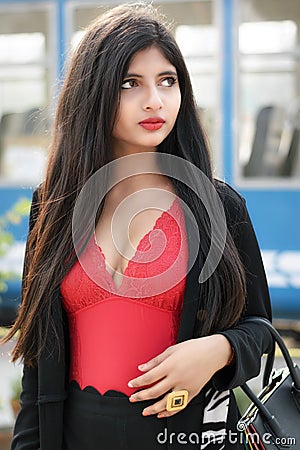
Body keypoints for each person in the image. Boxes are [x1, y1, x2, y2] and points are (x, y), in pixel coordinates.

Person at [1, 3, 272, 449]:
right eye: (131, 83)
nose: (155, 100)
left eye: (168, 81)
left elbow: (260, 330)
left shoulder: (218, 207)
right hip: (72, 435)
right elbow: (38, 365)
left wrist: (217, 351)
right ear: (94, 92)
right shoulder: (55, 205)